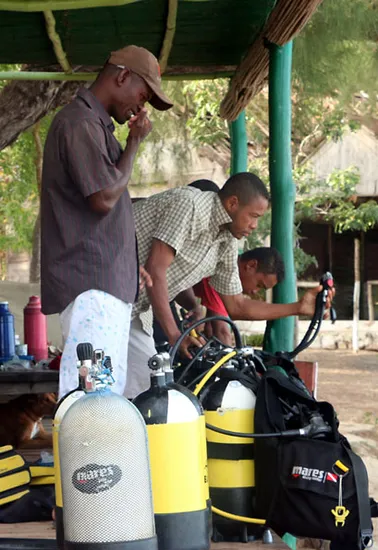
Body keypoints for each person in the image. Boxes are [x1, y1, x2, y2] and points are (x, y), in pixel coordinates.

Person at [40, 45, 173, 399]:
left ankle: (98, 455)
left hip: (104, 288)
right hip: (91, 291)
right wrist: (133, 144)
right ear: (122, 76)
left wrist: (131, 265)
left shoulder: (93, 126)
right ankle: (88, 457)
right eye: (142, 95)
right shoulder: (79, 123)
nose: (141, 108)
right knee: (92, 396)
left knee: (103, 393)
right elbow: (102, 199)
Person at [125, 172, 330, 399]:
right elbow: (156, 269)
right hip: (103, 290)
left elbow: (237, 305)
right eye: (253, 216)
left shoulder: (228, 241)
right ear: (233, 203)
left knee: (149, 390)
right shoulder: (190, 205)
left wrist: (298, 307)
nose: (254, 225)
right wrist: (175, 334)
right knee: (90, 380)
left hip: (133, 311)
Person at [192, 247, 285, 345]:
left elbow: (211, 326)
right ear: (251, 265)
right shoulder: (222, 273)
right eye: (259, 285)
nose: (255, 291)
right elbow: (222, 332)